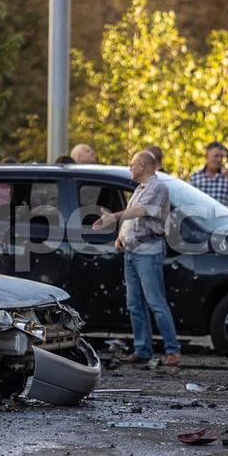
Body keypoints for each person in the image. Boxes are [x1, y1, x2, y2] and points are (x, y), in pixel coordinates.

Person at [92, 150, 180, 366]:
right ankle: (143, 350)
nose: (130, 167)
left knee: (155, 302)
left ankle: (172, 350)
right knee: (135, 304)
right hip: (132, 252)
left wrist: (113, 217)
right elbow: (133, 218)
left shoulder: (157, 187)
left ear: (143, 166)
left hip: (149, 250)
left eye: (132, 164)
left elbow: (141, 211)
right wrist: (121, 238)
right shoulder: (139, 189)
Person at [190, 141, 228, 208]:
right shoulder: (196, 176)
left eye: (221, 156)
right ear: (206, 157)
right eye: (216, 156)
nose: (219, 159)